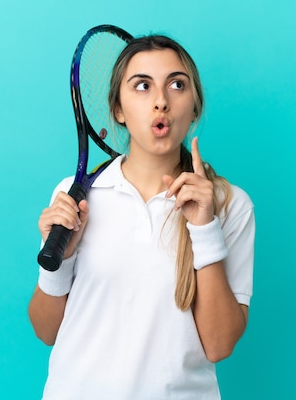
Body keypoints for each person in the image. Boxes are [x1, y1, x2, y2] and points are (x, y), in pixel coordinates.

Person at [28, 33, 255, 400]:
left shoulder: (230, 204)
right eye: (142, 86)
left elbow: (219, 344)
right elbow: (45, 330)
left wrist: (204, 227)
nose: (161, 102)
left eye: (177, 85)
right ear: (118, 109)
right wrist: (62, 259)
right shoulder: (74, 196)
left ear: (194, 106)